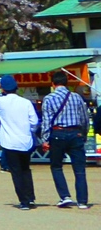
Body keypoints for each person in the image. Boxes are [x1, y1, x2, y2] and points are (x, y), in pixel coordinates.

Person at [0, 74, 42, 209]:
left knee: (16, 172)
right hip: (25, 140)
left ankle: (23, 201)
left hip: (9, 141)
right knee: (25, 169)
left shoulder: (1, 102)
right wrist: (30, 130)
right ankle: (30, 198)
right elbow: (35, 122)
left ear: (3, 89)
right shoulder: (26, 102)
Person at [42, 81, 92, 209]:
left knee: (57, 166)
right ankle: (82, 201)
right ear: (66, 83)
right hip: (76, 133)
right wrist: (84, 134)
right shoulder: (76, 97)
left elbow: (46, 120)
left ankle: (65, 196)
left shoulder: (49, 98)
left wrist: (45, 139)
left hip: (58, 133)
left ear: (53, 84)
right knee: (79, 169)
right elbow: (84, 118)